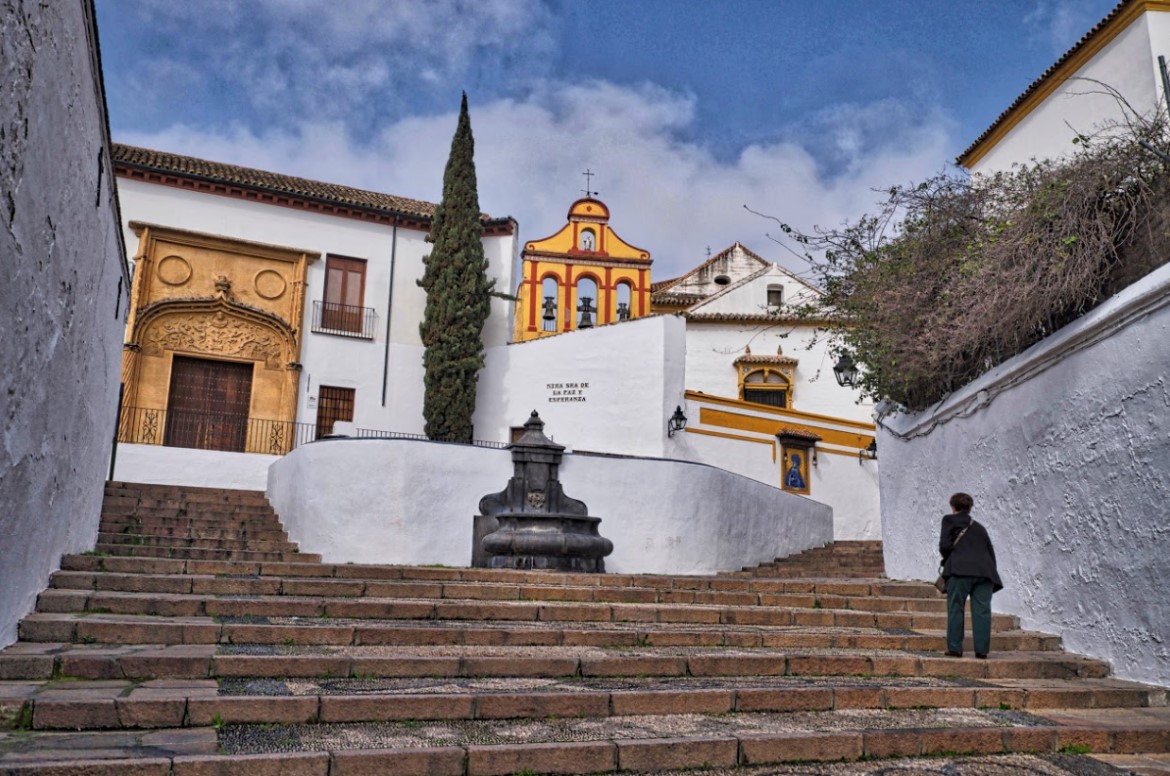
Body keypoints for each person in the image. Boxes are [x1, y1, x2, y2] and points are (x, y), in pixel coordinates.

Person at [939, 492, 1002, 658]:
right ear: (970, 507)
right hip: (985, 573)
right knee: (982, 611)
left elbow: (944, 546)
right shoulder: (980, 527)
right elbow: (990, 552)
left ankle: (955, 648)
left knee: (956, 608)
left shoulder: (949, 520)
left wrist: (949, 560)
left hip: (959, 570)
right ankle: (981, 651)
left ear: (953, 506)